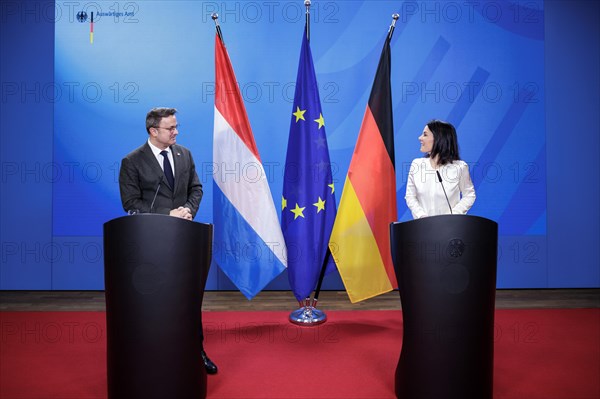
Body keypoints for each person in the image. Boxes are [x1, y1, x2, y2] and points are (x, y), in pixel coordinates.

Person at [118, 107, 218, 374]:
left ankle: (196, 352)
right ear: (153, 131)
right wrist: (167, 214)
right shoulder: (132, 161)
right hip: (150, 244)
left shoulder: (184, 154)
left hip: (184, 239)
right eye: (170, 128)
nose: (176, 132)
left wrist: (187, 211)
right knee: (155, 301)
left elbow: (196, 188)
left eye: (176, 126)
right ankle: (152, 358)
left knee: (188, 300)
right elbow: (130, 202)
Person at [405, 120, 476, 219]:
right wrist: (421, 216)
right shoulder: (416, 165)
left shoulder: (460, 167)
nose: (420, 138)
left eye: (425, 135)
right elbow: (410, 196)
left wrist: (454, 215)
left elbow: (469, 195)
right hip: (422, 227)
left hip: (450, 227)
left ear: (438, 139)